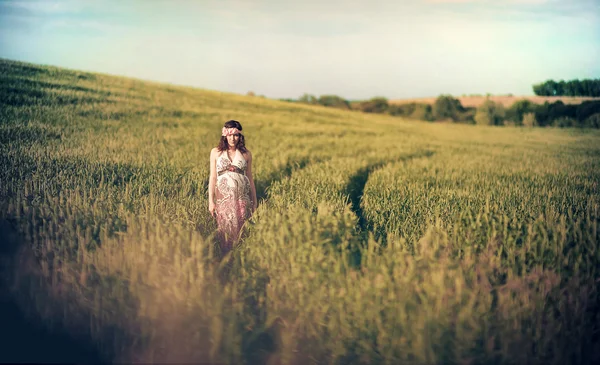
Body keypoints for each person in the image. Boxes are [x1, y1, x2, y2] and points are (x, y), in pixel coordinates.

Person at [208, 120, 257, 255]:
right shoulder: (216, 152)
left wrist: (255, 202)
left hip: (242, 196)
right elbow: (213, 177)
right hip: (223, 196)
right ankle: (224, 256)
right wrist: (211, 201)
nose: (232, 138)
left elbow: (250, 178)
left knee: (241, 227)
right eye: (230, 135)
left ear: (240, 136)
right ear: (225, 135)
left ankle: (239, 256)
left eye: (236, 135)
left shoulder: (246, 154)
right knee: (224, 226)